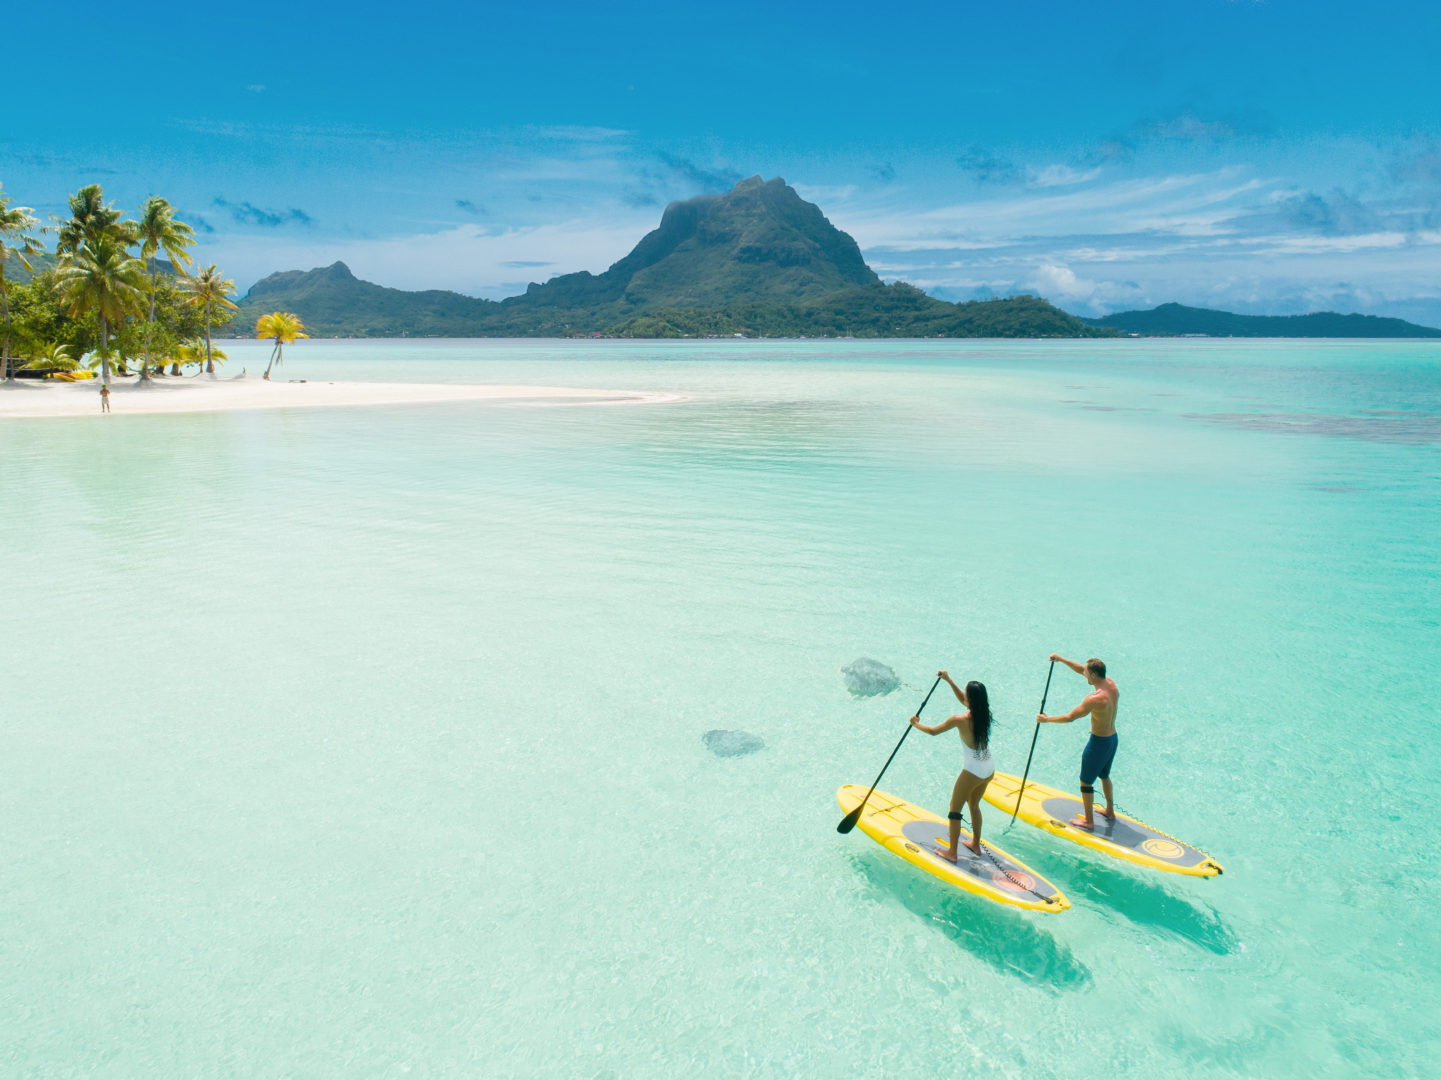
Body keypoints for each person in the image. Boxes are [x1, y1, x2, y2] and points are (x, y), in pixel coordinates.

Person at [910, 670, 994, 861]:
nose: (964, 697)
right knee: (974, 804)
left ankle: (952, 853)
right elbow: (965, 700)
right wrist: (948, 680)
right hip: (988, 766)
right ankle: (975, 844)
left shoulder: (959, 720)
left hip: (973, 769)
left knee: (955, 810)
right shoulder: (984, 713)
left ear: (970, 699)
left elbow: (932, 732)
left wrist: (916, 724)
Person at [1037, 654, 1118, 831]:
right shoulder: (1111, 685)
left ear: (1094, 676)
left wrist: (1047, 719)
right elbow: (1080, 669)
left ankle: (1089, 821)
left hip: (1099, 743)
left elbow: (1070, 718)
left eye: (1086, 672)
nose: (1084, 674)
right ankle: (1110, 811)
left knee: (1086, 782)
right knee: (1104, 776)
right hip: (1112, 739)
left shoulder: (1095, 698)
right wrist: (1061, 660)